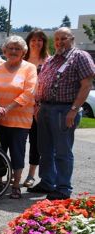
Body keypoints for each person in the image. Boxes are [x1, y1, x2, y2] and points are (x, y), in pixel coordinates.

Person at [29, 27, 95, 200]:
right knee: (45, 150)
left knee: (62, 152)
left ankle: (63, 188)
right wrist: (37, 105)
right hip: (45, 109)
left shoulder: (79, 56)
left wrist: (74, 110)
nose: (59, 42)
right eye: (57, 39)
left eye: (63, 38)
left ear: (72, 38)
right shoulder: (52, 60)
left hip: (64, 109)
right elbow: (41, 83)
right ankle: (47, 182)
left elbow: (87, 84)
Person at [0, 35, 37, 199]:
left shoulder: (29, 68)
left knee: (17, 153)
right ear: (4, 50)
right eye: (11, 48)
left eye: (17, 48)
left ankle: (15, 185)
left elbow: (29, 92)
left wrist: (7, 108)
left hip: (19, 121)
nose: (13, 51)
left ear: (23, 51)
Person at [22, 29, 50, 188]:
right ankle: (15, 171)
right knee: (18, 142)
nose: (36, 43)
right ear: (28, 42)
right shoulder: (22, 58)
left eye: (40, 40)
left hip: (38, 109)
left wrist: (38, 105)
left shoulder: (48, 61)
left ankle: (31, 175)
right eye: (33, 40)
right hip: (21, 108)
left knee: (35, 143)